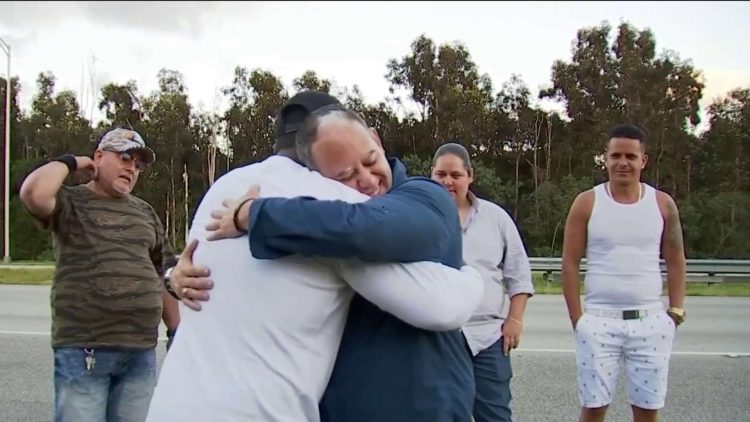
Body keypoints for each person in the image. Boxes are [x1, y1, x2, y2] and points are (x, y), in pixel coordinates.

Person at [145, 91, 483, 422]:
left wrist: (252, 215)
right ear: (314, 167)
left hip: (173, 404)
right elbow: (442, 305)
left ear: (375, 139)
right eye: (343, 175)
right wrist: (471, 281)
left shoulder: (226, 189)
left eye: (368, 161)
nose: (363, 181)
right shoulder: (325, 205)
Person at [18, 128, 180, 422]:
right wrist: (73, 162)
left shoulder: (145, 212)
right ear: (99, 158)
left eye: (138, 164)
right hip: (85, 351)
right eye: (125, 158)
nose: (132, 168)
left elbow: (163, 274)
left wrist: (176, 332)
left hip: (140, 352)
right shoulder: (71, 202)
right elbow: (33, 193)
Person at [561, 124, 687, 422]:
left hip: (650, 322)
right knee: (593, 408)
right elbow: (569, 261)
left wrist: (676, 311)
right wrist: (578, 319)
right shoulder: (587, 202)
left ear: (643, 160)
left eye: (630, 156)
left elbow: (676, 258)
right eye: (615, 155)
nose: (622, 162)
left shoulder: (662, 203)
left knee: (647, 410)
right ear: (605, 159)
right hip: (599, 322)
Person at [430, 142, 534, 422]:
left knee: (494, 415)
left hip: (489, 337)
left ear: (470, 176)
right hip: (439, 338)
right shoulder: (421, 217)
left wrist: (515, 321)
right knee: (445, 414)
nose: (448, 182)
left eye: (455, 175)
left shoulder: (496, 218)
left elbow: (518, 274)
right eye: (441, 175)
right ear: (431, 175)